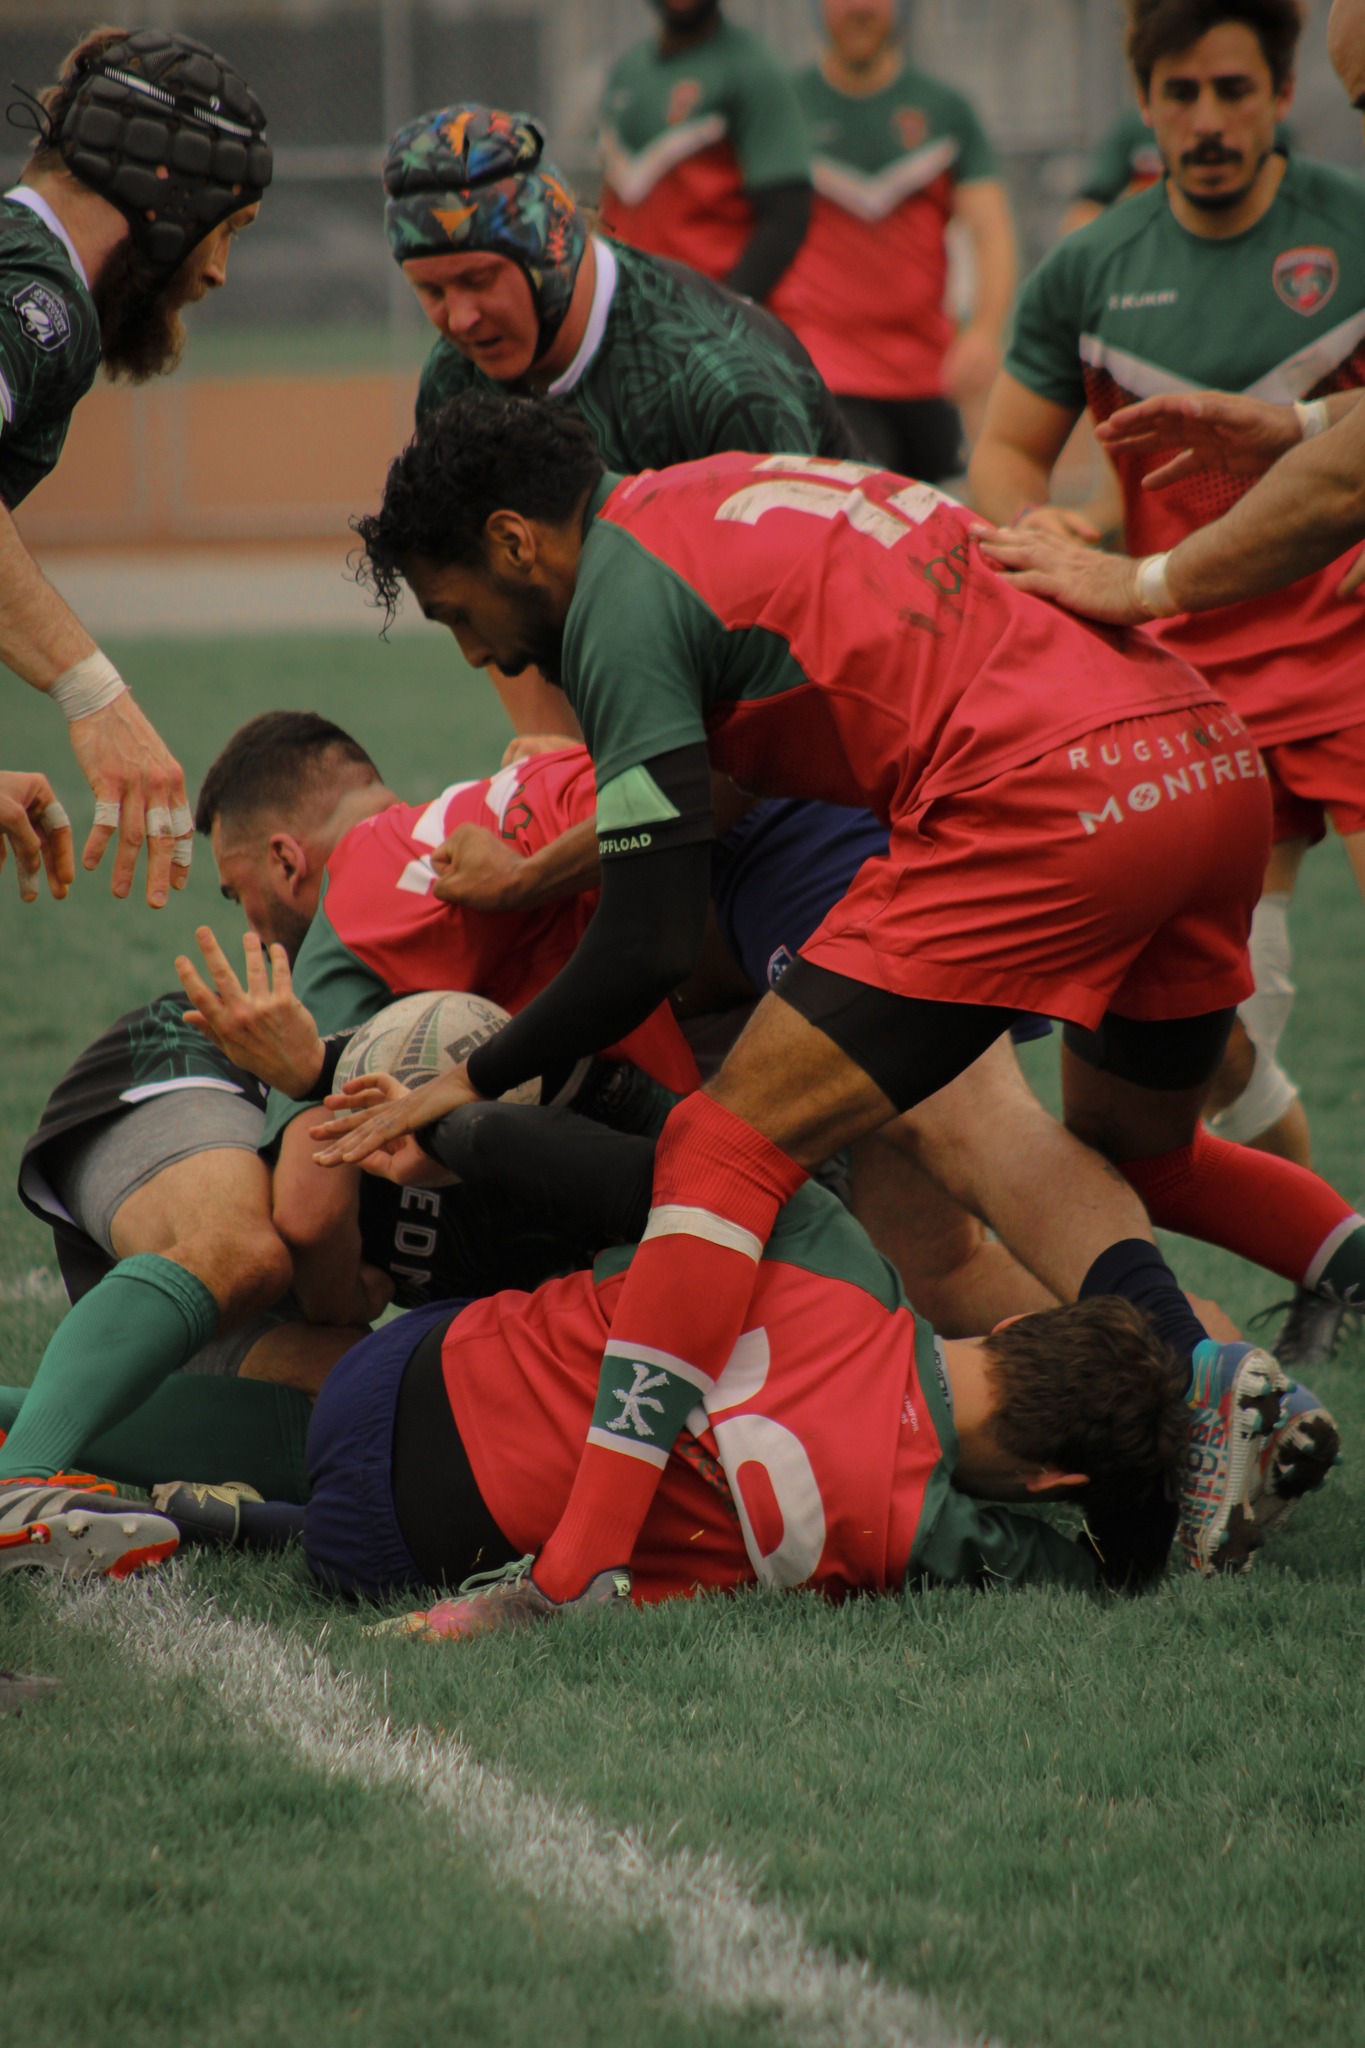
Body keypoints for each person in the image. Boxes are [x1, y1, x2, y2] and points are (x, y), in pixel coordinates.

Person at [326, 392, 1365, 1615]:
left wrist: (474, 1076)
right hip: (1201, 763)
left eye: (458, 613)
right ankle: (1259, 1341)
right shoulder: (697, 500)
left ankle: (579, 1564)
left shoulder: (611, 601)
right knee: (1137, 1149)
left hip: (1043, 797)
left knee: (722, 1147)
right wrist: (537, 879)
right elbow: (710, 784)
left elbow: (647, 941)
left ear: (515, 541)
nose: (479, 654)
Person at [969, 0, 1365, 1365]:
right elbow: (1007, 456)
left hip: (1352, 662)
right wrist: (1042, 520)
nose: (1208, 121)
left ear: (1284, 92)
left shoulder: (1351, 225)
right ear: (1143, 100)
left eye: (1235, 91)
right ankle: (1335, 1261)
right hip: (1192, 693)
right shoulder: (1088, 270)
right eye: (1182, 92)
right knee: (1220, 1039)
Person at [386, 100, 851, 739]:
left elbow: (803, 630)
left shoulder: (718, 380)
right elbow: (495, 598)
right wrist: (561, 759)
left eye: (479, 279)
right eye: (432, 292)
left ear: (550, 249)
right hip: (643, 708)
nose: (459, 318)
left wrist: (646, 775)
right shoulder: (455, 385)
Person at [2, 26, 270, 907]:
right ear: (169, 193)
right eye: (225, 229)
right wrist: (94, 694)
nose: (219, 273)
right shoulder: (36, 294)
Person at [769, 0, 1017, 482]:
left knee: (941, 512)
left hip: (928, 374)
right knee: (863, 504)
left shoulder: (944, 109)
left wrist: (985, 333)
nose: (859, 8)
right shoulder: (783, 108)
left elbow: (991, 230)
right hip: (824, 371)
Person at [598, 0, 812, 301]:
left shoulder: (755, 71)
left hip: (701, 310)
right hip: (628, 308)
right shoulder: (627, 71)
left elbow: (786, 218)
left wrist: (722, 314)